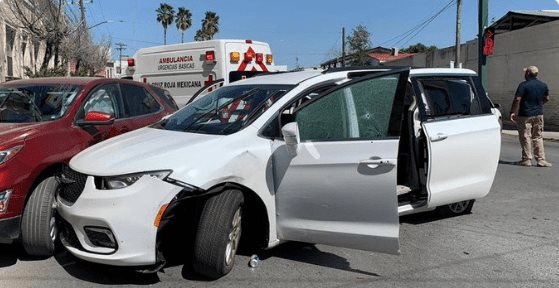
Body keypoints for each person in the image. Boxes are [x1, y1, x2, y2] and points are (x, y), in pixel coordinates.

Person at [509, 66, 552, 167]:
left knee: (525, 136)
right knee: (538, 137)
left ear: (528, 73)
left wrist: (512, 111)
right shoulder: (543, 85)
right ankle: (541, 159)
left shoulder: (523, 85)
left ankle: (526, 159)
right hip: (539, 114)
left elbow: (517, 99)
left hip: (525, 115)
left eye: (525, 72)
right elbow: (547, 98)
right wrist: (538, 105)